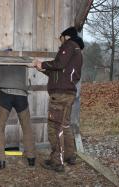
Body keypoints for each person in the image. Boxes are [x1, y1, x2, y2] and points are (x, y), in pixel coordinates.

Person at [33, 27, 84, 172]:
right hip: (67, 93)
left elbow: (59, 64)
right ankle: (69, 156)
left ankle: (57, 162)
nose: (59, 41)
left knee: (54, 128)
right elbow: (59, 72)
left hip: (60, 95)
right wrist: (43, 69)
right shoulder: (77, 50)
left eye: (60, 38)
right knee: (65, 125)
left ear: (66, 36)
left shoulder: (69, 45)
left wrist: (42, 63)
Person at [0, 49, 36, 169]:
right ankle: (31, 158)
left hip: (5, 94)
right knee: (27, 127)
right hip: (21, 95)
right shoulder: (22, 61)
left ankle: (0, 160)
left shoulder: (0, 60)